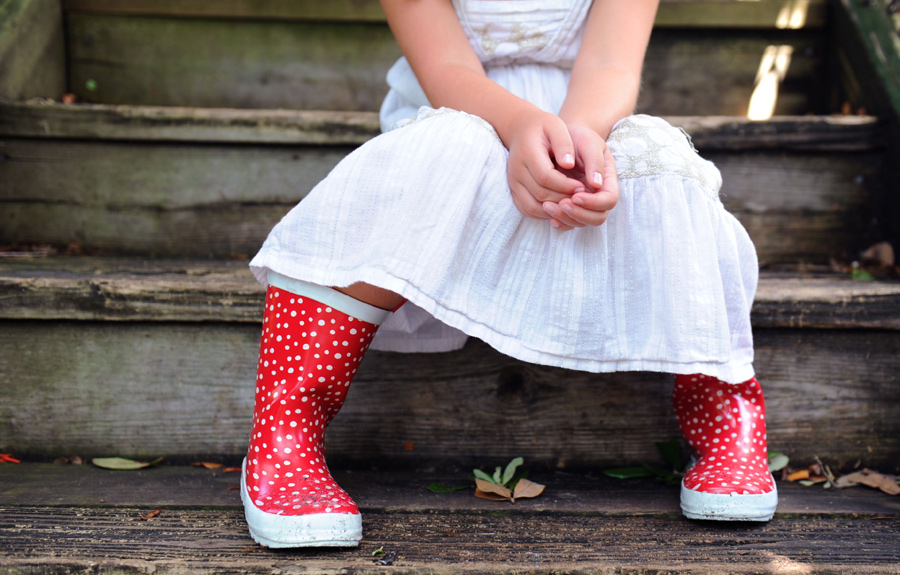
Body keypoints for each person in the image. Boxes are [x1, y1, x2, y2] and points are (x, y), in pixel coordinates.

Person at [240, 0, 777, 548]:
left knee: (657, 154)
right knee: (440, 152)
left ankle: (721, 407)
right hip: (458, 110)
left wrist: (580, 142)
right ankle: (288, 425)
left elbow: (610, 64)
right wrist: (521, 125)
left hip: (588, 117)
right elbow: (445, 68)